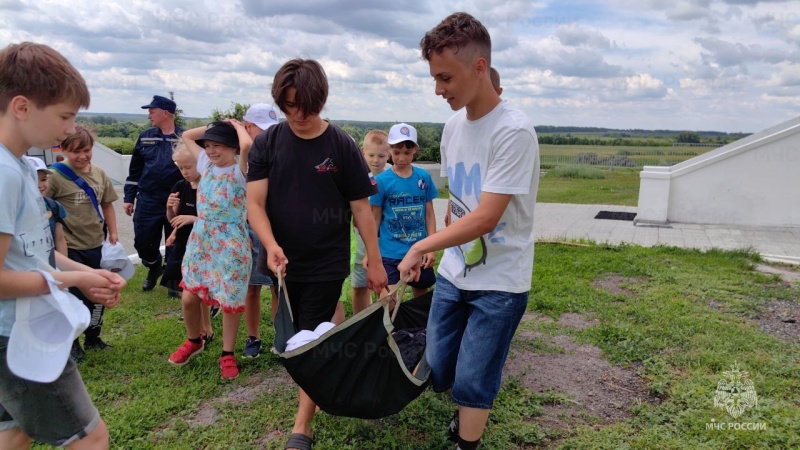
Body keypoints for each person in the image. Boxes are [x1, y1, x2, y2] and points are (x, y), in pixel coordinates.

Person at [399, 13, 540, 450]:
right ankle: (465, 413)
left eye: (445, 77)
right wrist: (440, 245)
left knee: (474, 377)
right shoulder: (453, 126)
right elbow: (458, 203)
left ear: (480, 67)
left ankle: (467, 441)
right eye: (434, 78)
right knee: (441, 365)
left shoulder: (514, 132)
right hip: (453, 271)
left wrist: (420, 244)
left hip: (500, 281)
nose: (438, 89)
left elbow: (484, 218)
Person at [246, 58, 388, 450]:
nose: (298, 115)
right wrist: (271, 244)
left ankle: (302, 424)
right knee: (289, 334)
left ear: (320, 100)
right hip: (279, 260)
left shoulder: (339, 145)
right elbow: (255, 204)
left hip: (326, 261)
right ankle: (330, 343)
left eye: (306, 106)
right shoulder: (268, 142)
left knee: (309, 339)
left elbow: (361, 208)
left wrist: (373, 260)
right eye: (289, 106)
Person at [0, 40, 125, 450]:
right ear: (21, 107)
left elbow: (30, 253)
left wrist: (87, 274)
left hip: (21, 327)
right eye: (65, 116)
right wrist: (69, 282)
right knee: (90, 438)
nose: (70, 129)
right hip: (15, 335)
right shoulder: (4, 173)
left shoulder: (20, 164)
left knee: (13, 431)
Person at [168, 120, 252, 380]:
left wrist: (236, 126)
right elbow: (187, 135)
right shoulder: (205, 164)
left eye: (218, 145)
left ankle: (227, 353)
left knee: (229, 301)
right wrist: (216, 126)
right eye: (208, 145)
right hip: (202, 239)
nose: (211, 151)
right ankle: (195, 339)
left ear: (232, 147)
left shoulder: (240, 170)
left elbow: (247, 143)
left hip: (231, 242)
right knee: (190, 295)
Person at [47, 126, 120, 359]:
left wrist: (114, 232)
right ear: (64, 149)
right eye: (75, 151)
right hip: (69, 248)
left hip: (96, 244)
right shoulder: (54, 176)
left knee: (99, 293)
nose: (82, 156)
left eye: (86, 150)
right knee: (74, 297)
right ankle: (73, 344)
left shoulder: (99, 173)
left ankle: (93, 337)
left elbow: (107, 204)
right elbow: (43, 207)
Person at [370, 123, 438, 299]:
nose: (401, 158)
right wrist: (372, 253)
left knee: (421, 297)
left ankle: (417, 328)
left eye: (407, 153)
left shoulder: (423, 177)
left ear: (415, 149)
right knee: (388, 298)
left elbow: (429, 214)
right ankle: (390, 327)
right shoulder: (382, 181)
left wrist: (431, 247)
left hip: (419, 249)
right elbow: (374, 218)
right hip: (390, 252)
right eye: (396, 152)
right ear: (389, 150)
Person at [124, 95, 184, 292]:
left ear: (165, 113)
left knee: (177, 242)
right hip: (148, 199)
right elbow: (135, 171)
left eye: (152, 110)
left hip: (176, 199)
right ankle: (154, 266)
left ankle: (173, 280)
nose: (149, 114)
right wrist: (128, 197)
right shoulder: (145, 136)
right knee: (143, 243)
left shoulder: (185, 139)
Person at [160, 143, 214, 342]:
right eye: (180, 167)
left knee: (201, 289)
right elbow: (173, 218)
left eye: (188, 167)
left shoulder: (210, 187)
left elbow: (216, 219)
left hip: (204, 243)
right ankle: (197, 328)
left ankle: (206, 327)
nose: (184, 172)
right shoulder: (180, 186)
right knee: (188, 288)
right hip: (185, 243)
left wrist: (193, 220)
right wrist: (170, 209)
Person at [240, 103, 279, 358]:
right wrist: (236, 128)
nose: (266, 137)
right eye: (260, 130)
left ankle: (280, 335)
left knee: (278, 287)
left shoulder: (277, 153)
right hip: (251, 230)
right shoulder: (246, 153)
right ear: (248, 127)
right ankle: (253, 336)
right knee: (252, 287)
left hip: (275, 227)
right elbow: (245, 147)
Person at [351, 129, 391, 313]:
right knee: (359, 285)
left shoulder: (392, 174)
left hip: (386, 239)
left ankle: (383, 323)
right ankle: (361, 323)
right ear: (362, 151)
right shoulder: (355, 173)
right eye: (371, 155)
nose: (376, 160)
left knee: (384, 284)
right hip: (361, 241)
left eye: (382, 155)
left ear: (389, 153)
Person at [23, 156, 68, 266]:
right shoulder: (14, 210)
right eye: (32, 179)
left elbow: (60, 239)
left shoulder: (53, 206)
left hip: (50, 266)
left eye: (43, 179)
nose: (40, 185)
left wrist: (62, 269)